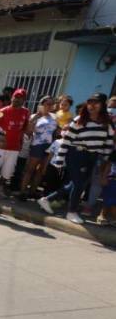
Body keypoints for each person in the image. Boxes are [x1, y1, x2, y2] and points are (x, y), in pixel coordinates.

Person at [47, 93, 114, 224]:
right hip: (75, 154)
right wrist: (59, 159)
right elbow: (67, 140)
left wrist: (104, 157)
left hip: (93, 156)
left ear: (103, 105)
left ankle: (47, 199)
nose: (92, 105)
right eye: (90, 102)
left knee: (77, 184)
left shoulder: (107, 121)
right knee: (78, 184)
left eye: (96, 102)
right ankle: (71, 212)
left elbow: (108, 140)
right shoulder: (80, 119)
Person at [18, 96, 57, 199]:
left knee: (41, 170)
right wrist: (36, 117)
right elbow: (28, 131)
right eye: (47, 104)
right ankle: (22, 192)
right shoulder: (34, 116)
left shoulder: (54, 117)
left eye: (52, 104)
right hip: (37, 145)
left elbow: (55, 132)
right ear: (42, 104)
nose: (50, 106)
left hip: (48, 145)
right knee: (30, 169)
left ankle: (32, 191)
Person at [0, 88, 30, 196]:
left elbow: (24, 127)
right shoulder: (3, 111)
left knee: (7, 171)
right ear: (12, 97)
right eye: (16, 97)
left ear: (24, 100)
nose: (17, 100)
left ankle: (0, 189)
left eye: (20, 98)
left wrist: (26, 134)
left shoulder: (26, 112)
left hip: (14, 147)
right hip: (0, 146)